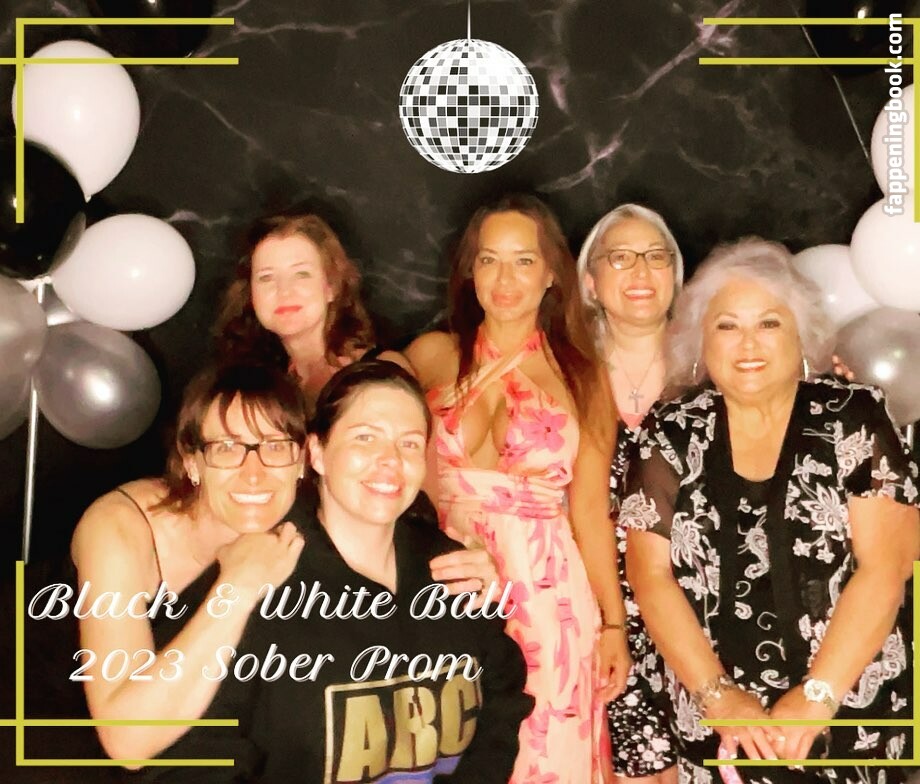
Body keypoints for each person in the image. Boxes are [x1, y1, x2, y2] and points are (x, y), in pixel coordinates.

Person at [622, 238, 920, 784]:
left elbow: (888, 567)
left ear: (800, 333)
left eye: (769, 323)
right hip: (719, 726)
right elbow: (650, 576)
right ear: (702, 340)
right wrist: (718, 696)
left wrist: (817, 696)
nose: (748, 343)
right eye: (727, 325)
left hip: (849, 716)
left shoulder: (852, 416)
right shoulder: (671, 432)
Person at [405, 193, 631, 783]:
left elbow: (590, 512)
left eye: (524, 261)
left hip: (546, 590)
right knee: (444, 745)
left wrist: (614, 624)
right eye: (489, 260)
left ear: (552, 273)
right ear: (471, 270)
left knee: (543, 750)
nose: (505, 280)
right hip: (445, 576)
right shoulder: (429, 356)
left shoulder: (581, 375)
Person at [229, 360, 534, 782]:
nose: (390, 460)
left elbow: (503, 695)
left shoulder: (453, 571)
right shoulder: (261, 581)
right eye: (365, 437)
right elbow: (204, 748)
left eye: (409, 444)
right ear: (316, 453)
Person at [214, 211, 492, 594]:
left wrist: (457, 556)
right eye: (266, 278)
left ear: (331, 286)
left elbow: (424, 494)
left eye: (301, 274)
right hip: (284, 570)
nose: (284, 291)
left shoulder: (384, 373)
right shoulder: (257, 385)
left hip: (374, 574)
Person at [70, 363, 307, 768]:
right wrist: (237, 587)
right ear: (192, 463)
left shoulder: (298, 526)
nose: (254, 474)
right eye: (227, 448)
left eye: (274, 446)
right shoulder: (119, 529)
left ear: (301, 461)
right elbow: (127, 741)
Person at [576, 204, 683, 783]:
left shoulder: (717, 360)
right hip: (603, 608)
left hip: (701, 606)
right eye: (620, 257)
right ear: (591, 281)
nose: (640, 271)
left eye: (655, 256)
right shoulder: (564, 370)